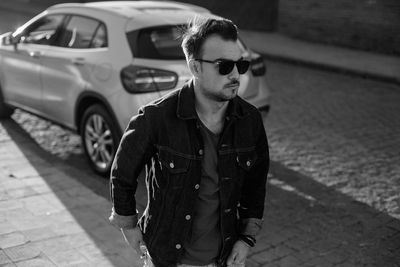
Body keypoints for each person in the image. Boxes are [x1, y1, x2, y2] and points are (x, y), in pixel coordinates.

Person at [109, 16, 269, 267]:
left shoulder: (250, 120)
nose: (236, 74)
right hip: (166, 257)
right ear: (195, 68)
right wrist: (128, 225)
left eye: (241, 64)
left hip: (223, 258)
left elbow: (255, 188)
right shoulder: (156, 117)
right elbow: (122, 174)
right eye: (224, 66)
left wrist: (246, 239)